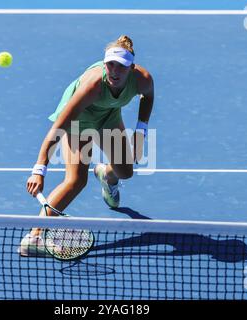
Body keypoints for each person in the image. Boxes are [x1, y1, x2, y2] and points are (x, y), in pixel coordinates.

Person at [19, 35, 154, 256]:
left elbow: (147, 96)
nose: (114, 71)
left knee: (125, 171)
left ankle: (105, 175)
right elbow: (58, 128)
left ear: (131, 68)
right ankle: (33, 237)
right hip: (78, 123)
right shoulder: (92, 86)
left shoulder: (143, 79)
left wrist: (140, 133)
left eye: (121, 66)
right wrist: (39, 169)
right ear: (104, 64)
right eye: (110, 64)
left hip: (108, 115)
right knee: (75, 181)